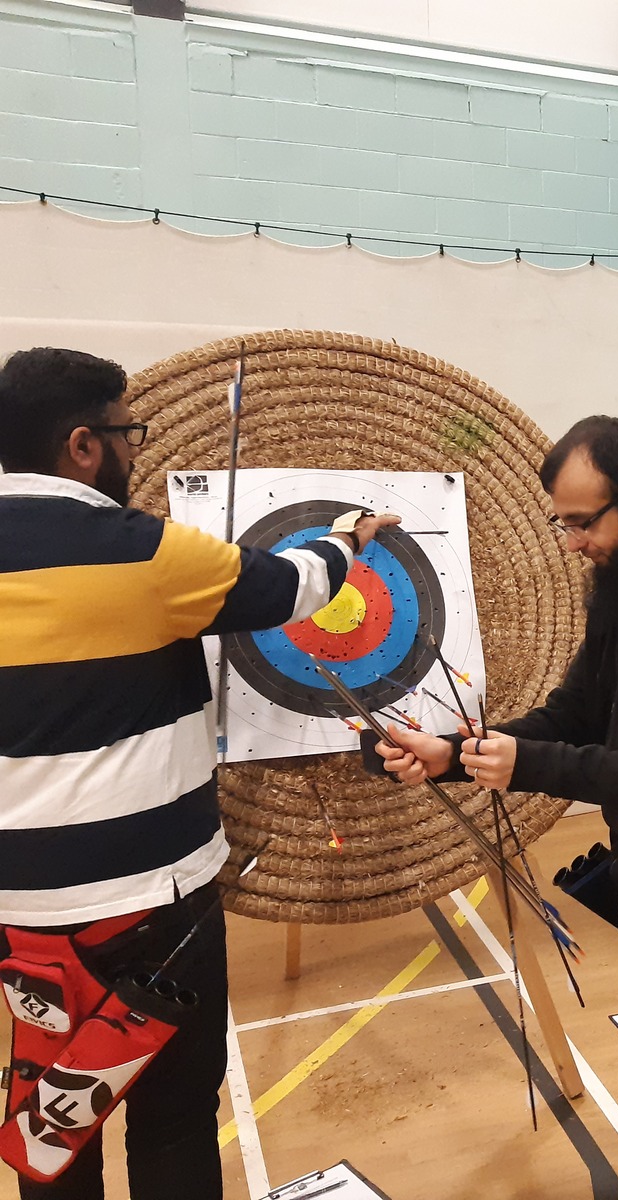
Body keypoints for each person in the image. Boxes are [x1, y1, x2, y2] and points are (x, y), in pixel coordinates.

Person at [0, 346, 397, 1199]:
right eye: (125, 433)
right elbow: (292, 587)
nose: (134, 451)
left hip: (19, 917)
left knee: (55, 1117)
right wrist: (348, 537)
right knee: (175, 1116)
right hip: (154, 906)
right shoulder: (142, 553)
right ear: (81, 445)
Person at [377, 415, 618, 1200]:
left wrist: (531, 764)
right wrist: (456, 754)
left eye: (582, 522)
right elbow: (576, 713)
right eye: (563, 522)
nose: (571, 541)